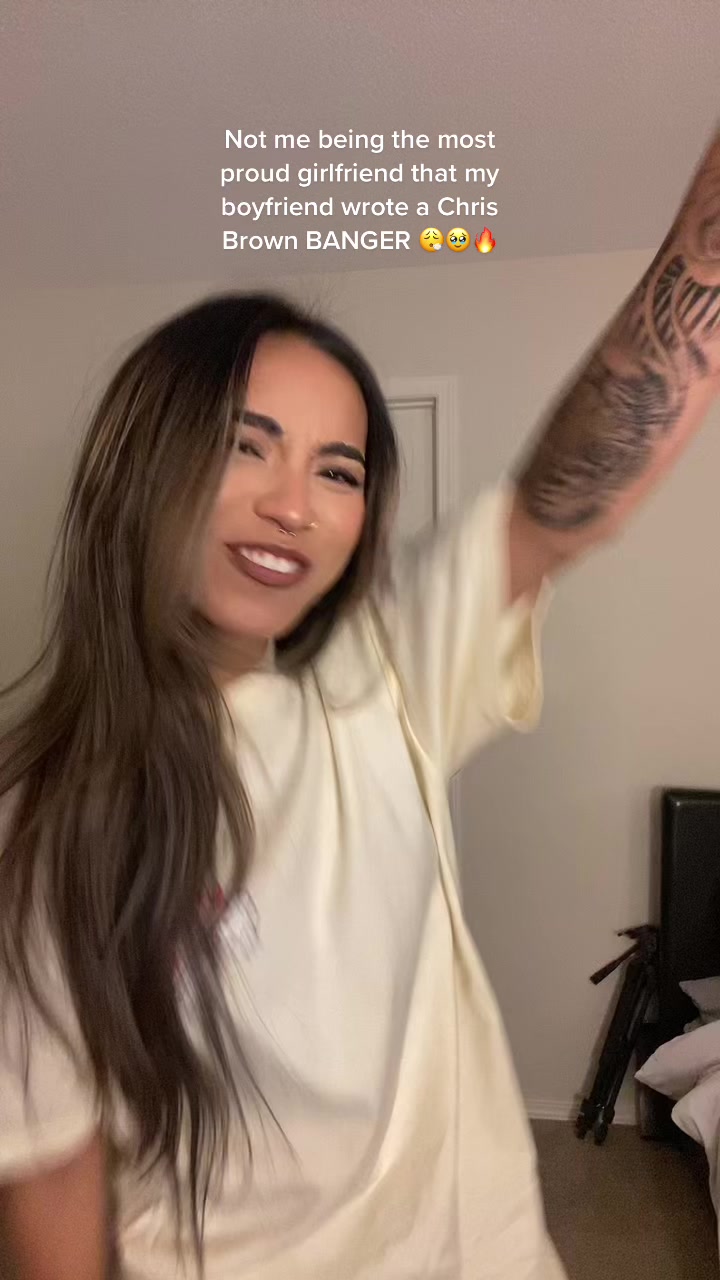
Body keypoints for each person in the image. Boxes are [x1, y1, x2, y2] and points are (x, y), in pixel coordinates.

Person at [0, 126, 718, 1280]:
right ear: (147, 465)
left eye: (339, 470)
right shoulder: (40, 818)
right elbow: (50, 1165)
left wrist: (705, 253)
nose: (295, 505)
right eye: (247, 447)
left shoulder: (384, 677)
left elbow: (563, 499)